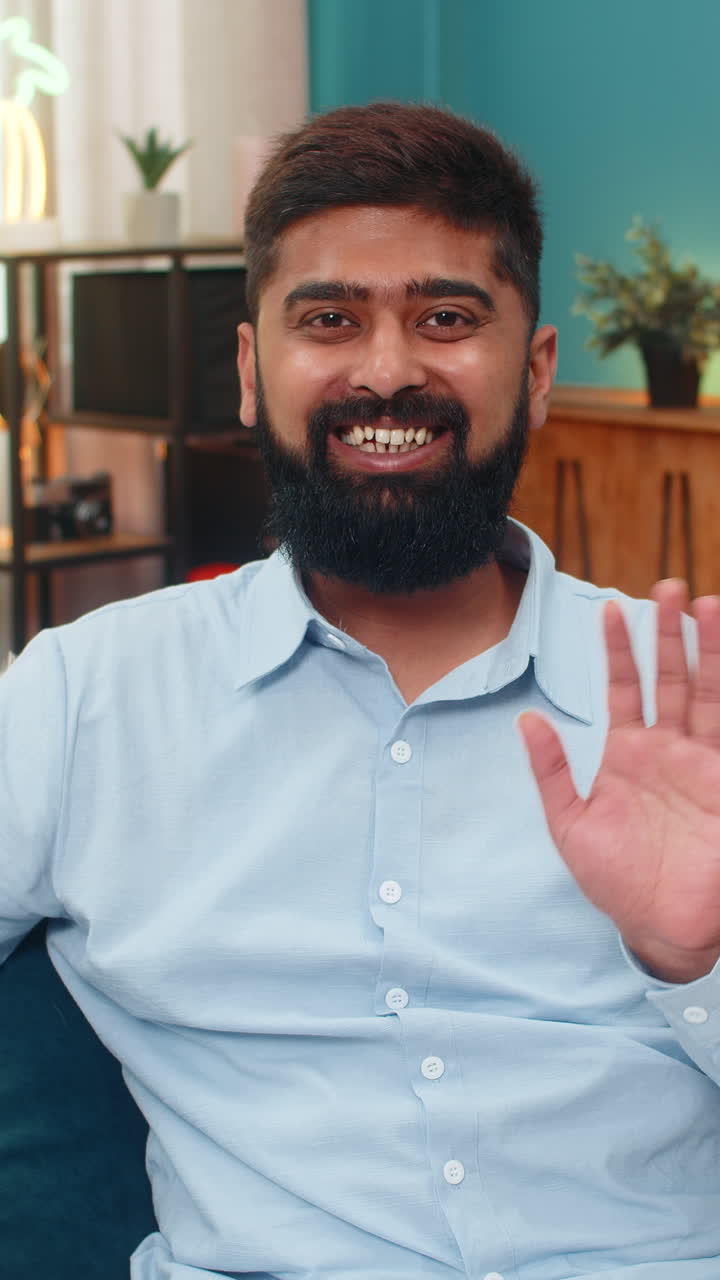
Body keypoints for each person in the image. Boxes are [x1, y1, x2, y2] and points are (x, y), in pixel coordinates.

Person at [3, 101, 720, 1280]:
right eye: (328, 319)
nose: (387, 372)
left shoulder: (682, 694)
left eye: (448, 317)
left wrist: (694, 964)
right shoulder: (86, 699)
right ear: (250, 369)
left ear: (536, 372)